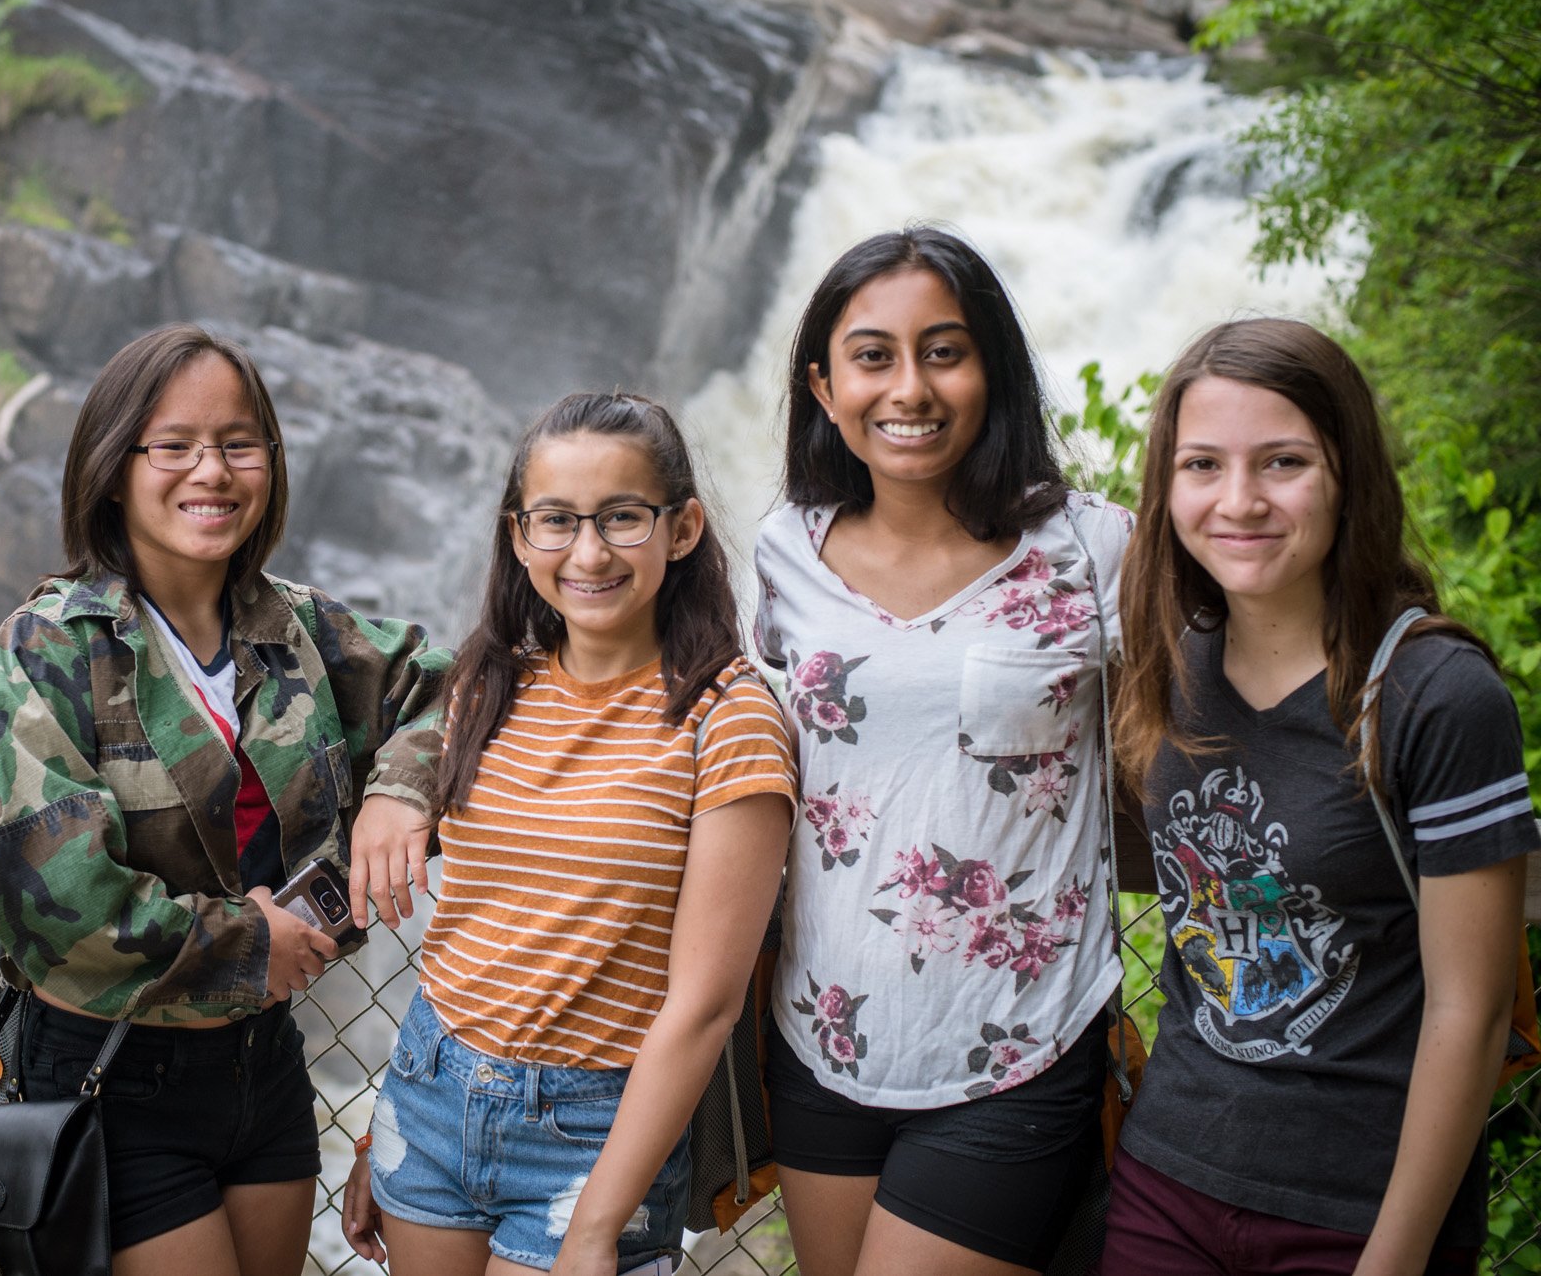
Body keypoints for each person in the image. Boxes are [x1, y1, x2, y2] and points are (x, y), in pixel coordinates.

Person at [0, 323, 451, 1276]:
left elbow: (452, 686)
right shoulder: (50, 650)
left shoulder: (292, 629)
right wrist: (251, 947)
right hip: (110, 1074)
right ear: (112, 467)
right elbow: (55, 902)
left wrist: (397, 789)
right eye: (173, 446)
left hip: (263, 1064)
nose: (211, 471)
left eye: (238, 443)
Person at [1101, 317, 1538, 1275]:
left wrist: (1395, 1256)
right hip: (1167, 1179)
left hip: (1359, 1204)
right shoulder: (1170, 665)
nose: (1240, 501)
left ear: (1347, 473)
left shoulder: (1435, 695)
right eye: (1203, 465)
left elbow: (1470, 1009)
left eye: (1284, 462)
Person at [338, 391, 797, 1276]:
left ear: (684, 527)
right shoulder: (488, 684)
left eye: (623, 518)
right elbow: (473, 927)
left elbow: (704, 1006)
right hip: (431, 1094)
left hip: (597, 1127)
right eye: (556, 521)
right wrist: (383, 1126)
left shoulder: (727, 719)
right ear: (519, 536)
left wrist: (597, 1226)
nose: (588, 552)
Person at [752, 227, 1132, 1275]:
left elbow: (1203, 730)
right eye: (874, 356)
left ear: (993, 370)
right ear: (824, 386)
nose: (909, 388)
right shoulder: (785, 551)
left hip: (1017, 1044)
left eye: (945, 351)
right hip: (823, 1037)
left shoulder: (1097, 552)